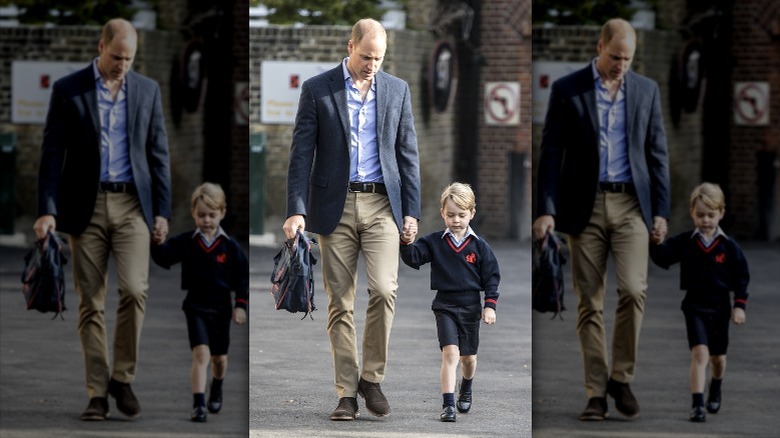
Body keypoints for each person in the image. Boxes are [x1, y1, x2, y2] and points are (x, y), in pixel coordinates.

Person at [532, 18, 671, 421]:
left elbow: (658, 155)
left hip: (631, 206)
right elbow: (551, 153)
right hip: (584, 208)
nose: (620, 65)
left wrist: (661, 212)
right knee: (589, 302)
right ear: (600, 47)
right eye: (614, 57)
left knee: (633, 290)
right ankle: (596, 391)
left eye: (627, 59)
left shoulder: (646, 91)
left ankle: (621, 378)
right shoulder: (568, 89)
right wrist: (546, 209)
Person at [283, 18, 421, 421]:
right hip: (334, 206)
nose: (371, 65)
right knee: (340, 302)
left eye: (378, 58)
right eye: (365, 56)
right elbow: (300, 154)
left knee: (384, 289)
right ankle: (346, 392)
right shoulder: (317, 89)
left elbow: (408, 154)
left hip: (382, 206)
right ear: (350, 46)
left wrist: (411, 211)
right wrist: (295, 208)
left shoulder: (397, 90)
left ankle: (371, 378)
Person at [33, 18, 171, 421]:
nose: (121, 66)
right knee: (90, 303)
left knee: (134, 290)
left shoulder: (147, 90)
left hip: (132, 206)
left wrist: (162, 212)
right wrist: (47, 209)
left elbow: (159, 155)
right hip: (85, 208)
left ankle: (122, 378)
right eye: (115, 57)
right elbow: (50, 154)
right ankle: (97, 392)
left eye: (128, 59)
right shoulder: (69, 89)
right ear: (101, 47)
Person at [399, 182, 500, 422]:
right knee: (450, 354)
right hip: (444, 305)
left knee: (468, 359)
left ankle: (466, 386)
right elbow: (414, 259)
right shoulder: (434, 241)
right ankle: (448, 405)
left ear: (472, 214)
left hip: (470, 306)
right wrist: (407, 241)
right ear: (443, 213)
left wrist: (490, 306)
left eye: (462, 215)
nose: (456, 220)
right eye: (451, 215)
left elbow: (492, 277)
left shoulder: (479, 247)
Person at [649, 183, 749, 423]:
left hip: (720, 307)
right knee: (700, 354)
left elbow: (741, 277)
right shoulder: (686, 242)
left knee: (718, 358)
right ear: (692, 213)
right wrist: (655, 242)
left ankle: (716, 386)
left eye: (711, 215)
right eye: (700, 215)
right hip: (694, 306)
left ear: (721, 213)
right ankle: (697, 405)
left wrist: (739, 306)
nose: (706, 220)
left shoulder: (729, 247)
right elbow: (663, 258)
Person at [151, 183, 248, 422]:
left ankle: (217, 385)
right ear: (193, 213)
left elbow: (241, 278)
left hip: (221, 307)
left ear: (222, 213)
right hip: (195, 306)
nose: (206, 220)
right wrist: (156, 242)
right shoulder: (186, 242)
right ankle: (199, 405)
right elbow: (164, 258)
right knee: (201, 354)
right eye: (201, 215)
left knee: (219, 359)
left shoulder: (230, 247)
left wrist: (240, 305)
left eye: (212, 215)